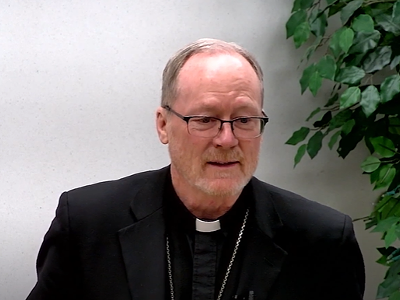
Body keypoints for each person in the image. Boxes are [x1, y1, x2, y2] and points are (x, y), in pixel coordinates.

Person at [27, 38, 365, 300]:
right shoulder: (88, 224)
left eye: (245, 119)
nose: (227, 139)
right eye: (205, 119)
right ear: (163, 125)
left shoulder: (322, 240)